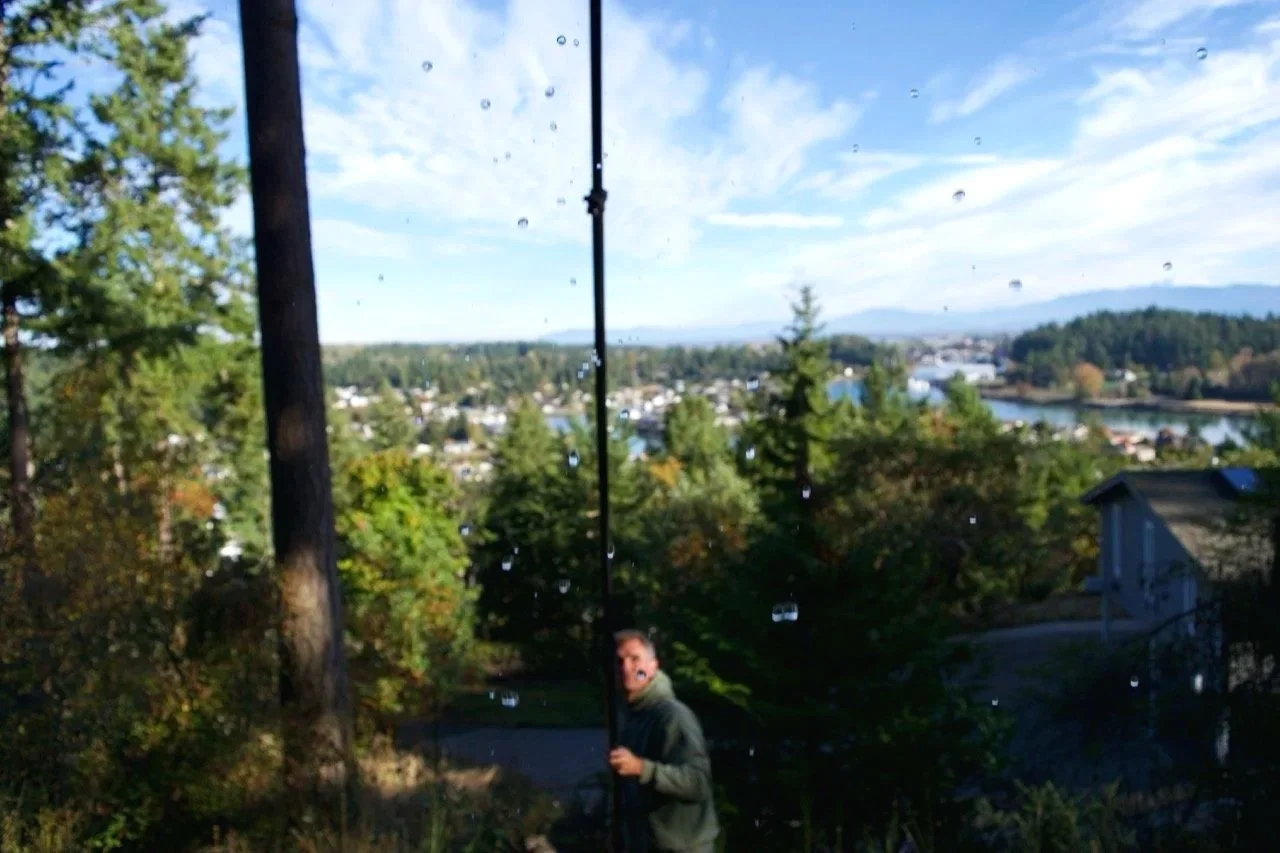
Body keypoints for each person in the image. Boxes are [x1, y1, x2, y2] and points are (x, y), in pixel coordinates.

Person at [608, 629, 719, 853]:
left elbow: (698, 782)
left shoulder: (672, 716)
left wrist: (642, 768)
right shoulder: (635, 714)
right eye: (619, 661)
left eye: (634, 659)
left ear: (652, 667)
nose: (626, 668)